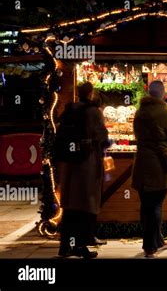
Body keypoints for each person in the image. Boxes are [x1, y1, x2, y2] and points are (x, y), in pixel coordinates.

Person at [57, 82, 109, 258]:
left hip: (69, 163)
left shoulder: (70, 109)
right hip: (86, 162)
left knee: (70, 207)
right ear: (91, 93)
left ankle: (65, 246)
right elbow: (102, 136)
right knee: (84, 206)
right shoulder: (92, 111)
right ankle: (80, 246)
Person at [132, 80, 167, 257]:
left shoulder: (139, 113)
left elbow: (136, 134)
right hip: (160, 164)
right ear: (162, 94)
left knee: (146, 204)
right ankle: (150, 246)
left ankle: (157, 241)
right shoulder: (165, 113)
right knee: (155, 205)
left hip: (141, 162)